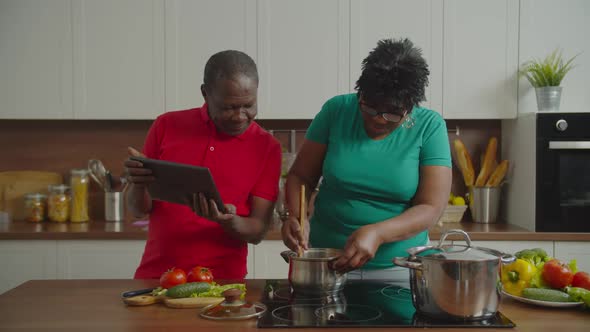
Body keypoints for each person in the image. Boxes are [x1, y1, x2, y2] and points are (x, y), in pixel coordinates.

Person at [281, 38, 452, 284]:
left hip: (398, 269)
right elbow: (301, 176)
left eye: (392, 114)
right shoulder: (335, 111)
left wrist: (378, 233)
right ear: (360, 92)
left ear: (410, 107)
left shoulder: (430, 126)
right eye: (370, 108)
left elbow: (431, 208)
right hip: (325, 263)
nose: (379, 120)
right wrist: (296, 216)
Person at [125, 50, 282, 280]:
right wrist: (137, 184)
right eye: (228, 107)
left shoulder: (267, 147)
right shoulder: (167, 125)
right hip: (158, 275)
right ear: (205, 94)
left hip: (223, 281)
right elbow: (139, 209)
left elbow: (258, 230)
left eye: (249, 105)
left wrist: (227, 222)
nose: (240, 116)